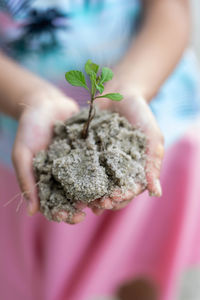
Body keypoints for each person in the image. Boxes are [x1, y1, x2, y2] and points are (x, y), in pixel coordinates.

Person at [0, 1, 200, 299]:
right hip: (23, 128)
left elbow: (171, 10)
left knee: (144, 256)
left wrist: (132, 87)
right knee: (51, 276)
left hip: (153, 109)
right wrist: (32, 97)